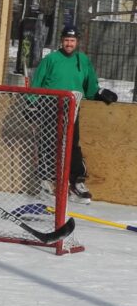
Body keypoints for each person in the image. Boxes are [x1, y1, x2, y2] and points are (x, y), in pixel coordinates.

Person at [30, 23, 117, 204]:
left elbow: (90, 84)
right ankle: (46, 183)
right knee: (48, 144)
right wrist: (31, 104)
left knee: (72, 145)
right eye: (66, 40)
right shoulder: (51, 59)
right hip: (50, 106)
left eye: (72, 40)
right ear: (61, 41)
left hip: (72, 108)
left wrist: (99, 93)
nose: (69, 43)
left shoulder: (82, 60)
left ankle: (76, 182)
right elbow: (37, 82)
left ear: (77, 42)